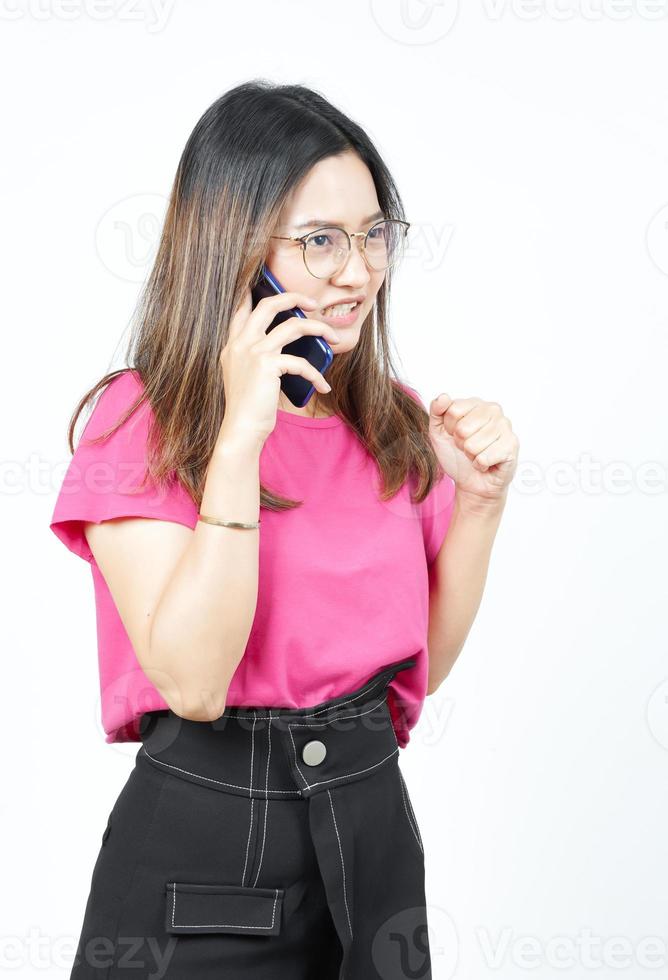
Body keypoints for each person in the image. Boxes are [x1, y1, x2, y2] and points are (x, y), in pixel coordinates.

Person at [49, 79, 517, 980]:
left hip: (373, 837)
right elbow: (191, 679)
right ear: (234, 248)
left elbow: (417, 663)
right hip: (208, 854)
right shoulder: (140, 419)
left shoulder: (394, 422)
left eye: (376, 234)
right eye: (320, 241)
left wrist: (482, 505)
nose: (359, 270)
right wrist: (240, 439)